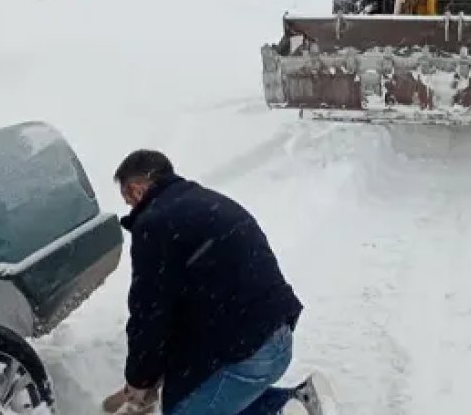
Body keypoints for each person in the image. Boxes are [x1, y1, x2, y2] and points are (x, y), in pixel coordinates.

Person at [101, 149, 335, 415]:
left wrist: (139, 380)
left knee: (183, 410)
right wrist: (152, 376)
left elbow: (150, 314)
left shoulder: (154, 225)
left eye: (128, 200)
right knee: (200, 397)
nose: (131, 207)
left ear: (135, 189)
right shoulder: (202, 203)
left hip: (249, 354)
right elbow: (176, 306)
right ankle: (301, 401)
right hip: (275, 336)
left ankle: (283, 411)